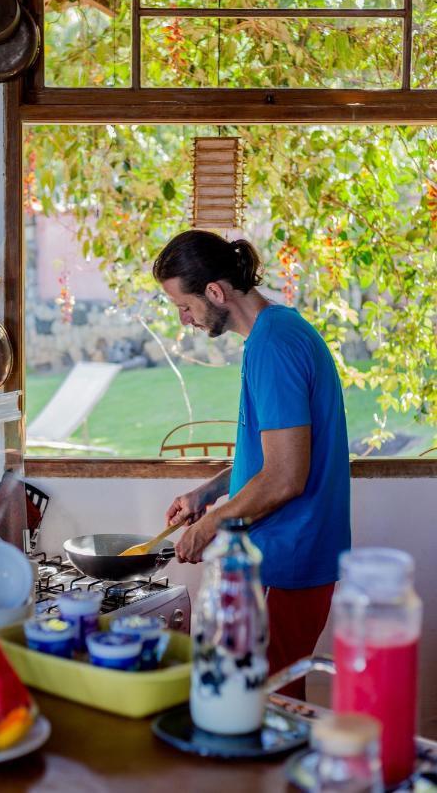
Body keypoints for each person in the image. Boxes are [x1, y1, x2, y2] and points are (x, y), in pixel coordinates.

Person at [153, 229, 351, 699]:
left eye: (185, 306)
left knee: (266, 704)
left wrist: (211, 526)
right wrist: (210, 492)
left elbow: (285, 477)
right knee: (268, 697)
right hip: (286, 555)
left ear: (215, 292)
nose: (186, 320)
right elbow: (277, 455)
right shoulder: (277, 331)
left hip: (287, 558)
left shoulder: (273, 346)